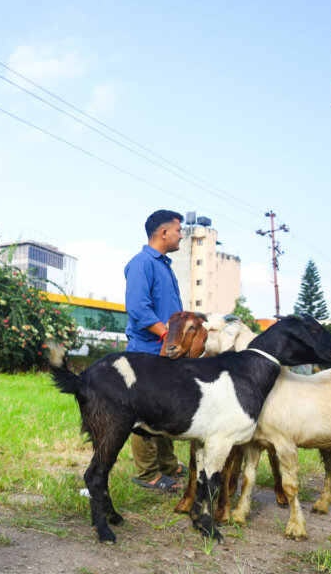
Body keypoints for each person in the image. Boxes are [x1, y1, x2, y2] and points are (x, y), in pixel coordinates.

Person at [123, 209, 186, 492]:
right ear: (163, 233)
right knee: (145, 413)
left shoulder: (163, 265)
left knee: (164, 409)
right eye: (178, 230)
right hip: (147, 351)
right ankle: (147, 473)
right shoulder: (142, 263)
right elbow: (138, 309)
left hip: (164, 351)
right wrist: (167, 335)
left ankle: (168, 464)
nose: (181, 234)